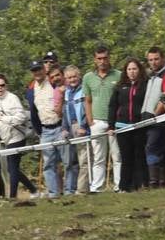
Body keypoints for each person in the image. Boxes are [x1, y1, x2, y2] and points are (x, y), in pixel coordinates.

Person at [83, 46, 122, 192]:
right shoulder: (88, 77)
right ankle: (96, 187)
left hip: (115, 122)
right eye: (99, 58)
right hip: (97, 121)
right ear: (95, 60)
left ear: (109, 58)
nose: (102, 61)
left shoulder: (118, 75)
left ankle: (119, 185)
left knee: (117, 155)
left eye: (105, 58)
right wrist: (90, 121)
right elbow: (87, 100)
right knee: (98, 157)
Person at [109, 58, 151, 192]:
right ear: (125, 71)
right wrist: (111, 126)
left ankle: (142, 184)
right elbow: (112, 106)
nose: (132, 72)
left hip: (140, 125)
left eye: (134, 69)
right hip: (122, 126)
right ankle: (124, 186)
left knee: (140, 155)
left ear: (139, 70)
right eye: (129, 69)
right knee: (126, 156)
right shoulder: (119, 87)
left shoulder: (145, 85)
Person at [0, 75, 32, 198]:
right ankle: (33, 189)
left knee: (12, 167)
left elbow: (21, 117)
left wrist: (3, 118)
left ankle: (12, 196)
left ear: (6, 86)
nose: (0, 88)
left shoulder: (13, 98)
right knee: (12, 169)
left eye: (2, 85)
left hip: (17, 136)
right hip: (5, 139)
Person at [143, 47, 165, 188]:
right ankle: (160, 181)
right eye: (150, 60)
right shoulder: (151, 75)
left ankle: (155, 181)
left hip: (160, 119)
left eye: (156, 59)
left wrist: (155, 115)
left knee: (152, 148)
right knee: (158, 149)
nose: (154, 62)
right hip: (149, 117)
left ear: (163, 58)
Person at [32, 62, 66, 198]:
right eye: (34, 71)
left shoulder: (52, 83)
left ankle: (69, 190)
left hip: (59, 126)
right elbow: (33, 112)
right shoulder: (32, 88)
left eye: (39, 69)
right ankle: (53, 193)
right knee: (48, 164)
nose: (37, 73)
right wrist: (38, 130)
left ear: (43, 70)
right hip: (45, 130)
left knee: (66, 160)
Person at [60, 65, 89, 194]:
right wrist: (64, 128)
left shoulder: (84, 90)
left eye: (74, 76)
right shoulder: (67, 92)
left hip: (81, 126)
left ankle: (82, 189)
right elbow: (65, 112)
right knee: (71, 160)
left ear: (79, 76)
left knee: (84, 158)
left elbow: (86, 110)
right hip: (70, 127)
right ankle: (70, 189)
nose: (72, 80)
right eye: (69, 77)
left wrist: (84, 126)